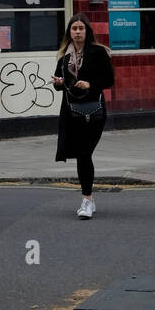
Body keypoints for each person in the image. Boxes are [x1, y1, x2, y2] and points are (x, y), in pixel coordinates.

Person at [52, 15, 114, 217]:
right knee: (82, 155)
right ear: (69, 32)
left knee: (85, 153)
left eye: (81, 28)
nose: (77, 32)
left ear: (87, 31)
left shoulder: (98, 53)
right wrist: (58, 83)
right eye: (74, 28)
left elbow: (109, 80)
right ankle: (88, 199)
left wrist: (90, 84)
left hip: (95, 112)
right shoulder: (64, 58)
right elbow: (60, 85)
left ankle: (87, 200)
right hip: (72, 113)